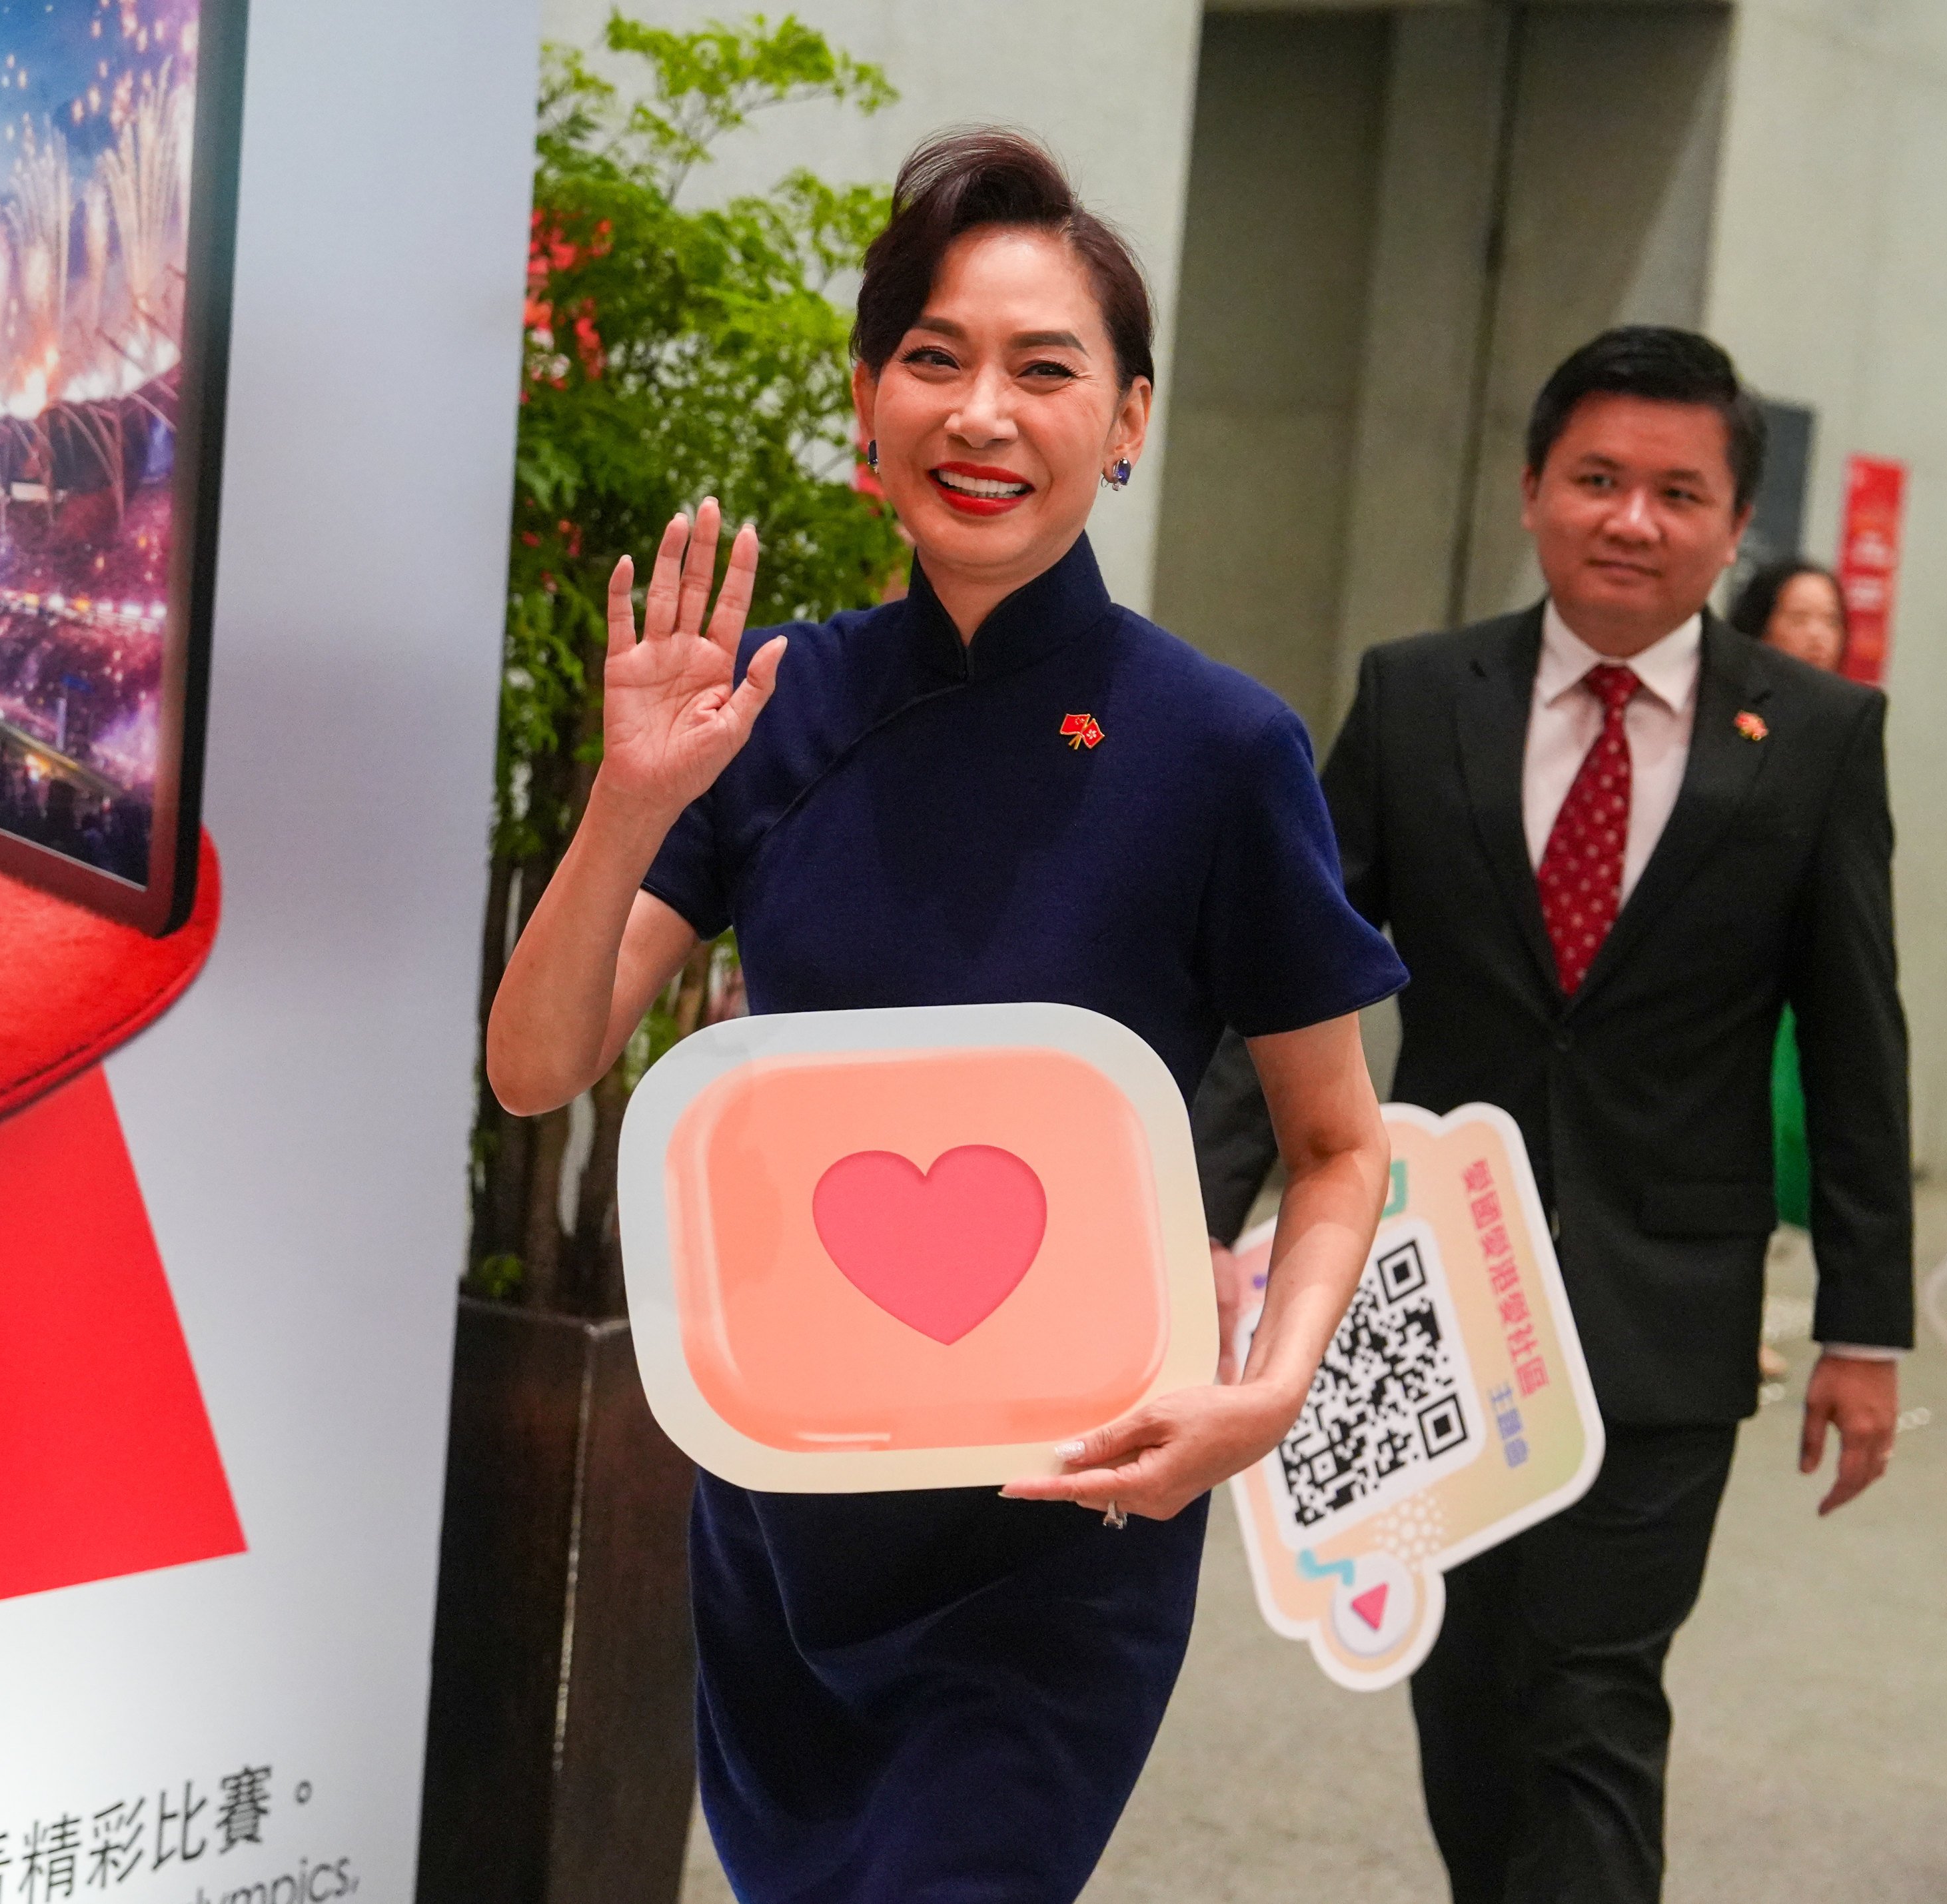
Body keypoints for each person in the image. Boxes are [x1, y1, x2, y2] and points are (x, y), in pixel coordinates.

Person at [484, 130, 1407, 1904]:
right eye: (936, 359)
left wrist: (1269, 1391)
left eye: (1045, 369)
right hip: (787, 1509)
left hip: (1069, 1512)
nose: (984, 412)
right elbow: (537, 1065)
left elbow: (1335, 1141)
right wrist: (626, 801)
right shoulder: (775, 702)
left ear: (1127, 421)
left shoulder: (1220, 747)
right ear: (868, 402)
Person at [1191, 326, 1912, 1904]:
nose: (1630, 519)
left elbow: (1860, 1045)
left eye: (1676, 490)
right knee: (1468, 1700)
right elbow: (1287, 984)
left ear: (1733, 524)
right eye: (1596, 478)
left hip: (1665, 1308)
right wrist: (1193, 1216)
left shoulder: (1813, 738)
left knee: (1593, 1698)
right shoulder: (1414, 695)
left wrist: (1866, 1324)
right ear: (1531, 489)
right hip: (1432, 1299)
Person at [1724, 558, 1854, 1378]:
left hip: (1804, 980)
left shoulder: (1841, 728)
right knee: (1751, 1138)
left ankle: (1747, 1309)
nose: (1815, 634)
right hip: (1732, 981)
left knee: (1791, 1144)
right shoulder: (1730, 718)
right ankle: (1734, 1315)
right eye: (1798, 615)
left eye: (1829, 619)